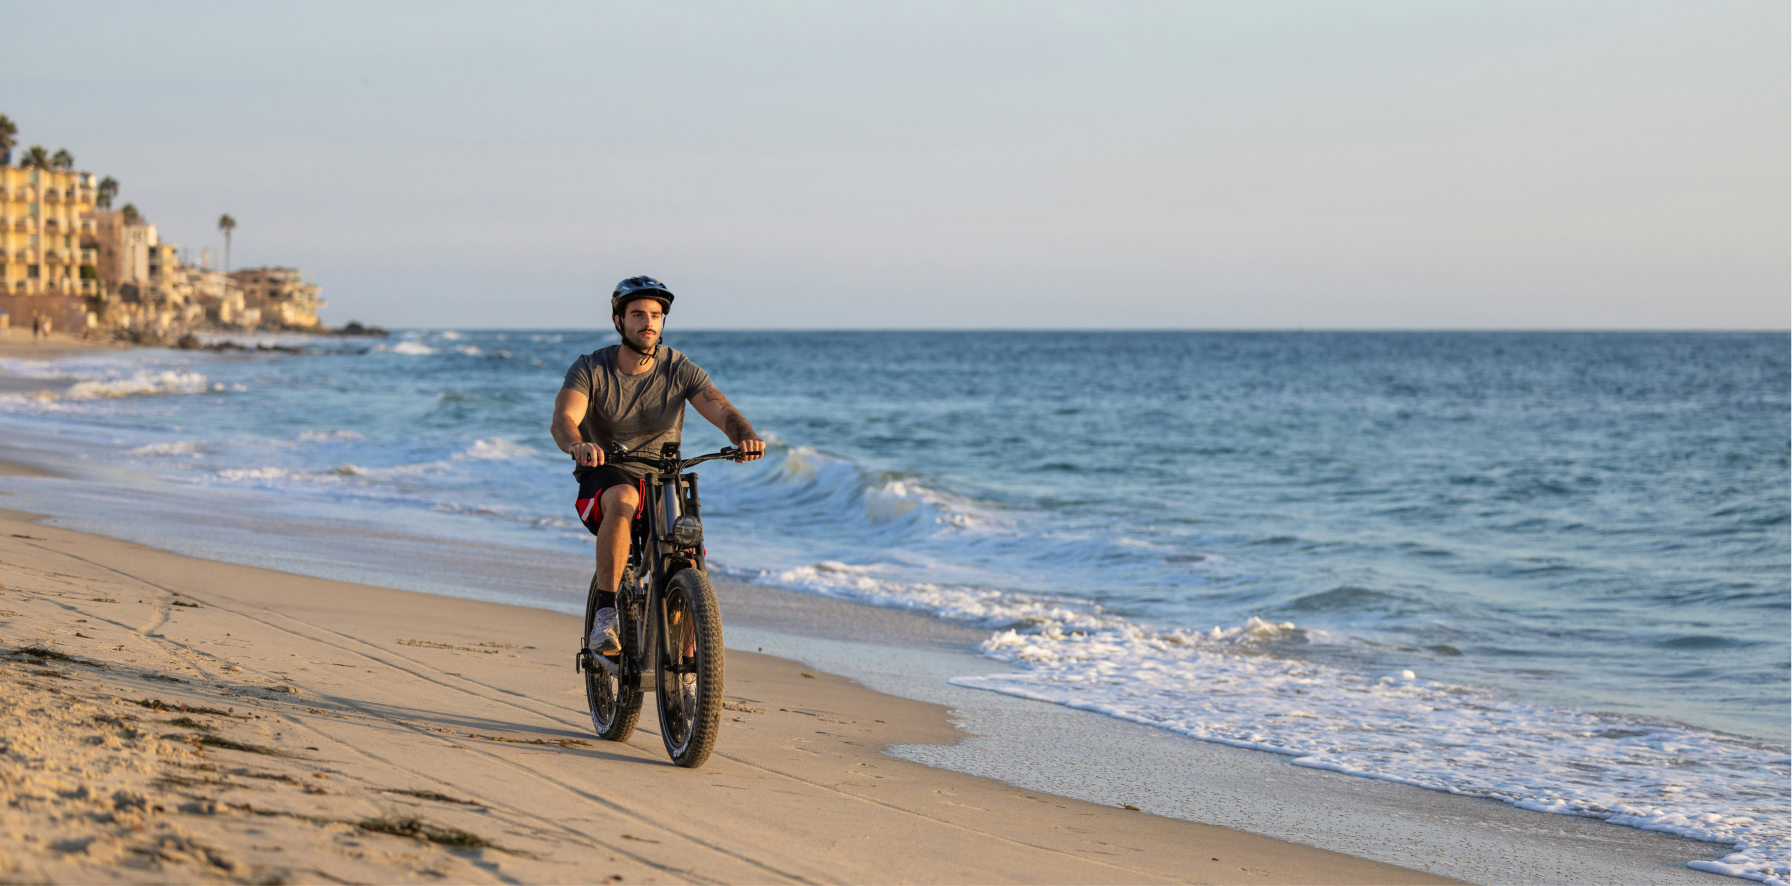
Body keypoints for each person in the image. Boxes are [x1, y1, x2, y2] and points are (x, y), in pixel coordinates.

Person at [550, 276, 765, 654]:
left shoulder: (678, 367)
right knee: (624, 498)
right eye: (637, 314)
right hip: (606, 470)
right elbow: (564, 419)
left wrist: (744, 436)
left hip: (662, 475)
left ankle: (690, 666)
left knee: (688, 555)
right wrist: (579, 444)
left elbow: (721, 409)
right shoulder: (591, 367)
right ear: (619, 321)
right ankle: (605, 615)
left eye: (655, 315)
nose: (648, 322)